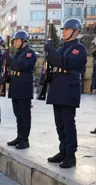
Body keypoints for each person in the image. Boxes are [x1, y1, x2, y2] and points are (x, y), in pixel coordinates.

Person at [45, 18, 87, 168]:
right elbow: (54, 62)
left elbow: (66, 63)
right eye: (63, 30)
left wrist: (51, 51)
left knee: (68, 123)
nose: (64, 32)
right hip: (58, 87)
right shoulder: (62, 47)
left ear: (76, 32)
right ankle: (62, 151)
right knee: (59, 124)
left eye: (67, 30)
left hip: (68, 88)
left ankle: (71, 155)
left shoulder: (79, 48)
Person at [3, 31, 37, 149]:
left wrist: (8, 58)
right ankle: (19, 136)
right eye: (14, 40)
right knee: (17, 114)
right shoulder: (17, 54)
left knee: (25, 115)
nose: (14, 42)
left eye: (17, 40)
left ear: (23, 41)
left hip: (24, 88)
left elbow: (20, 66)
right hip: (15, 86)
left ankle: (24, 139)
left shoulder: (30, 53)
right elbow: (14, 68)